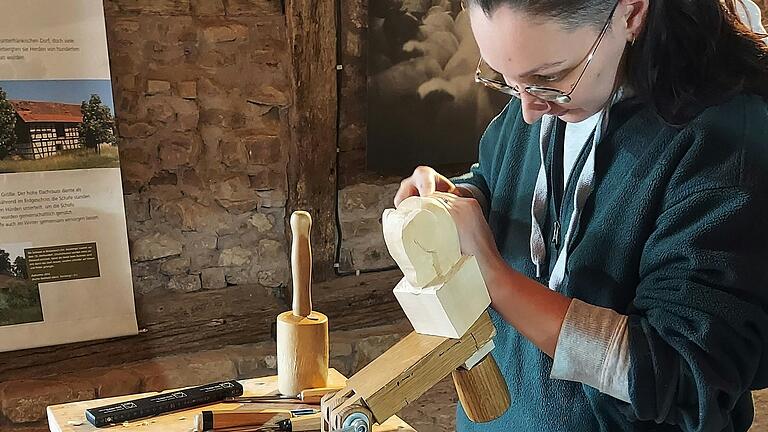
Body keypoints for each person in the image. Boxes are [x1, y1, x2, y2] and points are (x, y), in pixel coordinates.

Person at [393, 0, 768, 431]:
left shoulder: (726, 146)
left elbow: (684, 377)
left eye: (549, 78)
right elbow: (501, 178)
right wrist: (455, 200)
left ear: (631, 12)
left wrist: (496, 278)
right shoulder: (546, 99)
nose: (528, 111)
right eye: (504, 79)